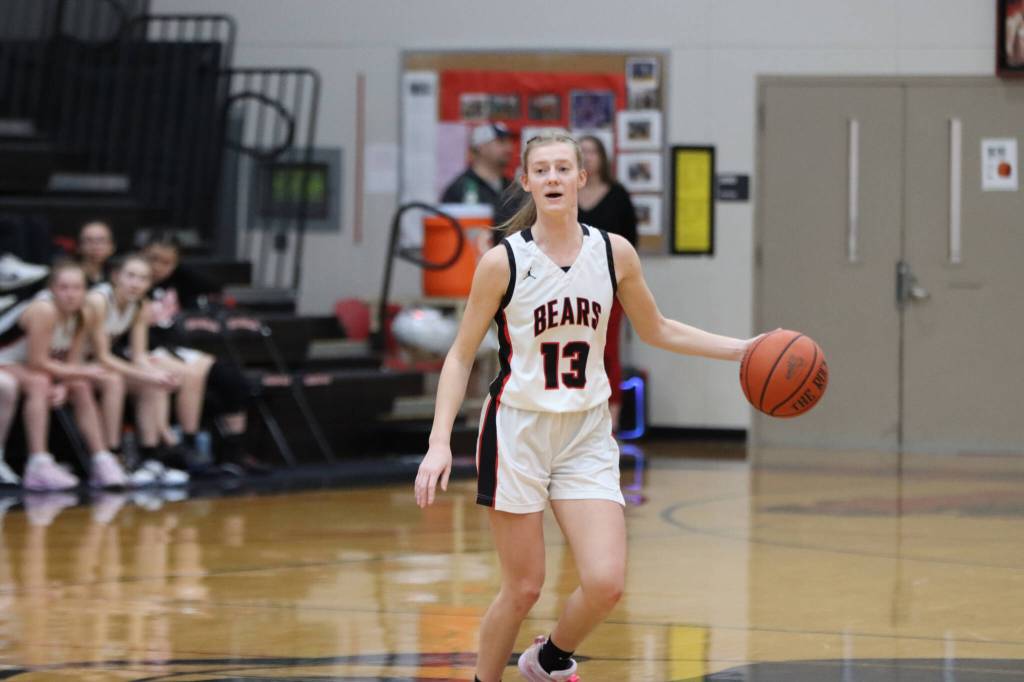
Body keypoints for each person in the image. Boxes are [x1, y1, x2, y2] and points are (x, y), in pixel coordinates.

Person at [414, 130, 762, 682]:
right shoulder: (503, 262)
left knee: (606, 582)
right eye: (542, 170)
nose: (553, 178)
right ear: (526, 181)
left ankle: (547, 659)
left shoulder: (613, 252)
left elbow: (659, 328)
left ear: (582, 177)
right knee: (524, 587)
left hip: (587, 433)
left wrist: (744, 350)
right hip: (518, 430)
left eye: (563, 169)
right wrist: (437, 444)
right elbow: (459, 357)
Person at [0, 261, 131, 490]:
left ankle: (102, 458)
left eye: (77, 288)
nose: (70, 294)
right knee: (40, 382)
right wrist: (79, 372)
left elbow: (71, 362)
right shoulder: (44, 309)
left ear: (85, 291)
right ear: (51, 289)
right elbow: (37, 362)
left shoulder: (84, 313)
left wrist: (66, 383)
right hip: (8, 360)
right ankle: (38, 463)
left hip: (27, 366)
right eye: (64, 287)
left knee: (80, 385)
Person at [143, 235, 267, 474]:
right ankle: (187, 448)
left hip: (177, 351)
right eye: (153, 259)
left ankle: (234, 454)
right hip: (150, 352)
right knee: (192, 374)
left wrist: (177, 269)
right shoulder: (136, 282)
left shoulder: (179, 280)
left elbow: (214, 285)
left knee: (232, 379)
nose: (157, 266)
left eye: (166, 262)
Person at [83, 254, 190, 486]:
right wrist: (147, 375)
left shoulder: (141, 305)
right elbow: (103, 356)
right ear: (115, 277)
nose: (136, 283)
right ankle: (113, 457)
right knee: (116, 381)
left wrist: (155, 375)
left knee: (153, 382)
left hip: (98, 364)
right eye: (130, 276)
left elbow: (139, 355)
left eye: (143, 278)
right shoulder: (98, 300)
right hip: (77, 362)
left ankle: (150, 459)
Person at [577, 135, 639, 433]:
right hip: (567, 286)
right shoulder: (564, 195)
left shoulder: (617, 195)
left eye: (592, 151)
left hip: (608, 287)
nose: (588, 157)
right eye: (582, 152)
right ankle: (575, 421)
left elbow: (630, 242)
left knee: (608, 353)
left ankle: (610, 422)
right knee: (575, 350)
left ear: (603, 157)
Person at [441, 122, 519, 230]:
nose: (509, 147)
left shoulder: (513, 188)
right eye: (501, 141)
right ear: (481, 146)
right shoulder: (459, 188)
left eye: (510, 142)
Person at [77, 221, 117, 287]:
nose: (95, 245)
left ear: (112, 246)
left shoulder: (118, 276)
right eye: (89, 240)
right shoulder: (67, 276)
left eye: (101, 240)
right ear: (79, 246)